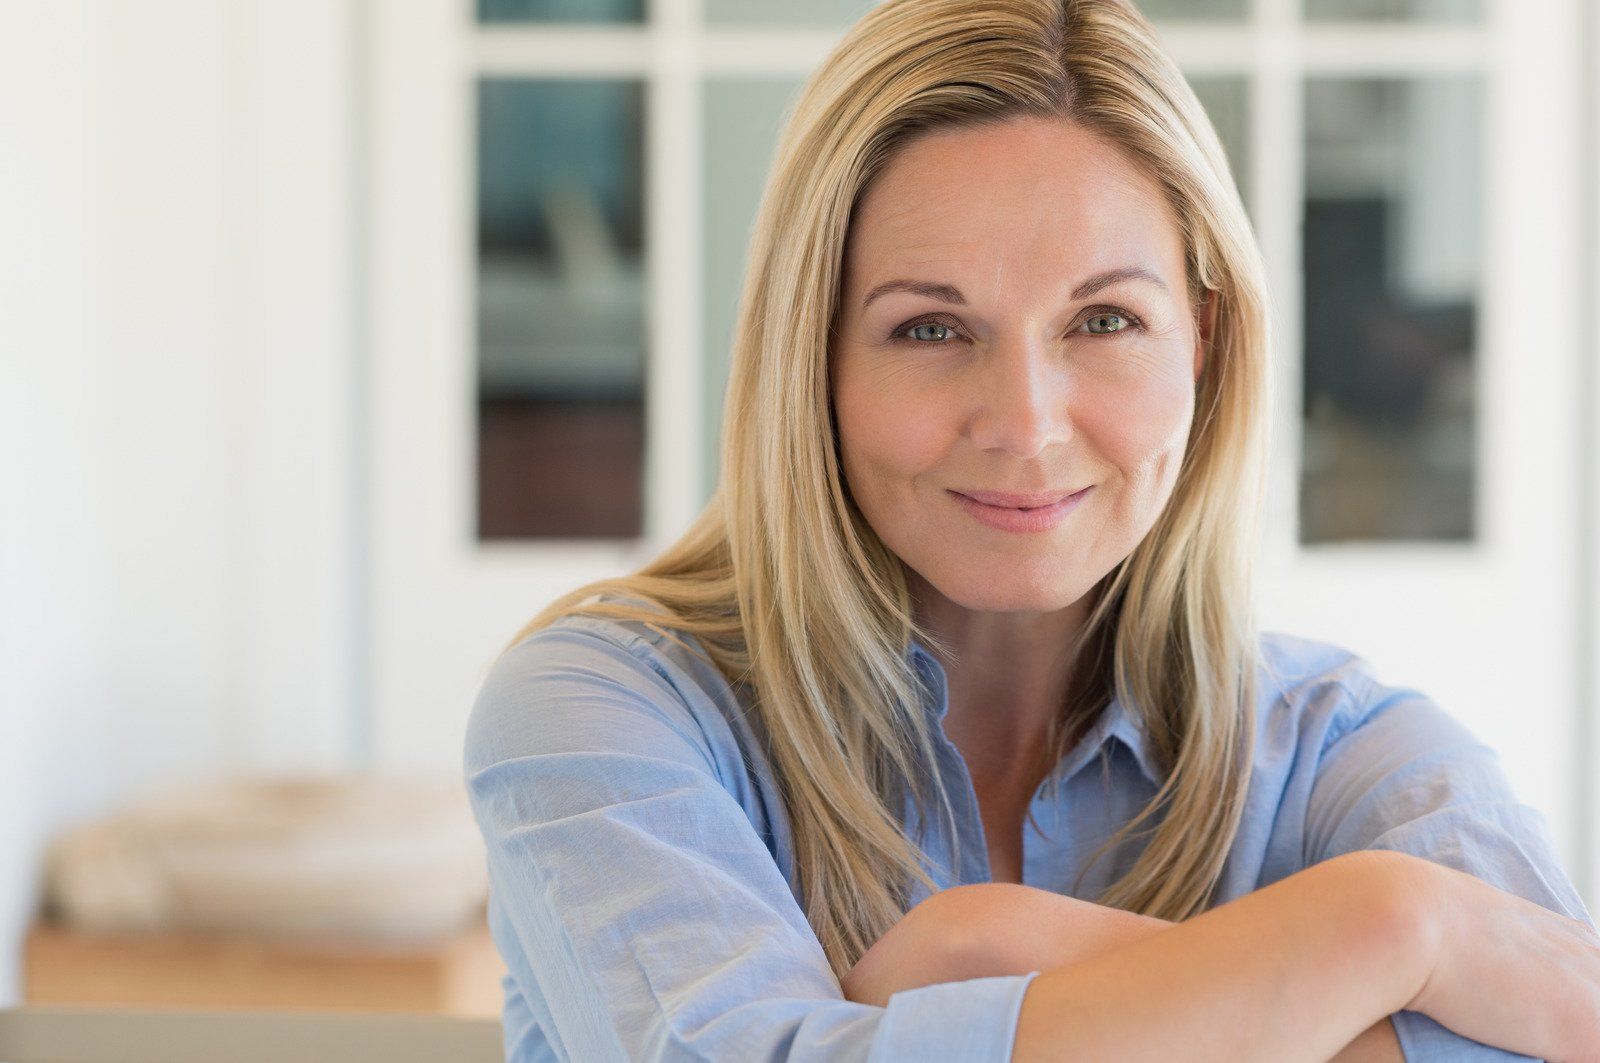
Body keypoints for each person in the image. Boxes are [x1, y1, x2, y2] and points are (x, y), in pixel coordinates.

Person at [462, 0, 1600, 1059]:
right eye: (927, 329)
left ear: (1201, 342)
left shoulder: (1350, 753)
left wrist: (978, 950)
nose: (1023, 425)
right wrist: (1381, 932)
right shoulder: (603, 711)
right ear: (814, 357)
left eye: (1104, 318)